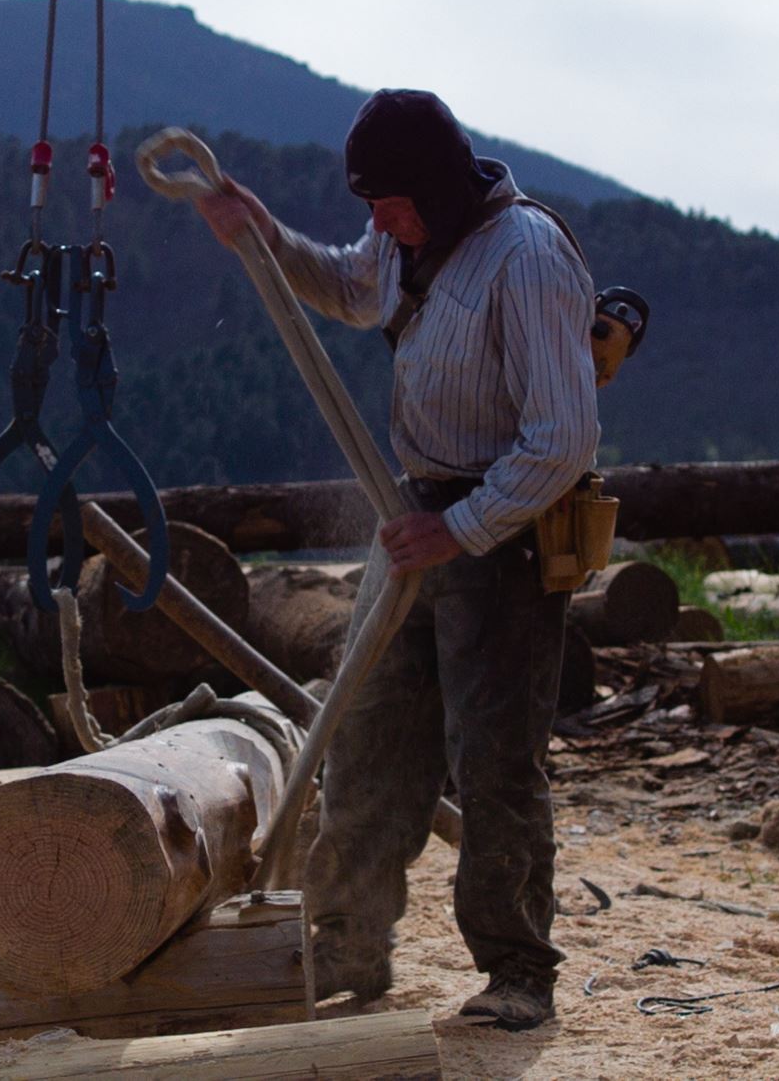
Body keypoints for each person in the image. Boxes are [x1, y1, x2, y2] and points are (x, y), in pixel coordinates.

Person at [190, 89, 600, 1031]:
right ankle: (348, 949)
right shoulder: (404, 238)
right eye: (369, 206)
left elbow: (563, 440)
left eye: (390, 204)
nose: (377, 224)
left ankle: (517, 971)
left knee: (493, 760)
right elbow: (349, 287)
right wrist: (264, 236)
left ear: (440, 186)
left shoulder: (528, 257)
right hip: (410, 510)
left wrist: (462, 528)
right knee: (368, 738)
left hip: (505, 531)